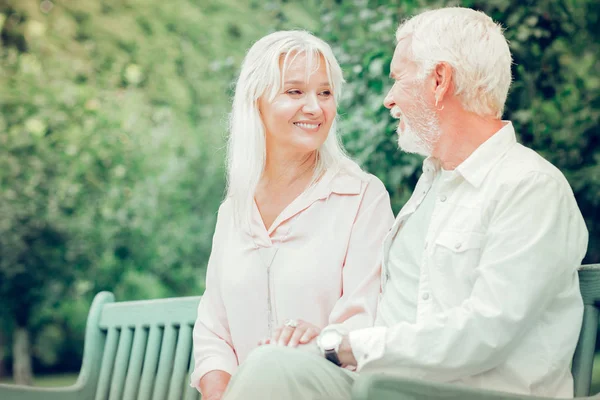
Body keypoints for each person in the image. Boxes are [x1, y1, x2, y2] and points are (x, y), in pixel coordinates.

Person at [220, 7, 589, 399]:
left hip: (475, 394)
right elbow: (397, 321)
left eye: (398, 79)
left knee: (271, 367)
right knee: (277, 361)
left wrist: (345, 346)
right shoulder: (431, 188)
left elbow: (485, 331)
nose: (389, 100)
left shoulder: (529, 187)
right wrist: (330, 340)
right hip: (389, 387)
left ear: (439, 80)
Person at [189, 30, 394, 400]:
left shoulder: (362, 196)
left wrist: (321, 339)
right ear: (257, 101)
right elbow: (213, 334)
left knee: (274, 364)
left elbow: (366, 321)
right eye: (295, 91)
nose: (315, 107)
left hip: (327, 387)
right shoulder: (233, 211)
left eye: (325, 93)